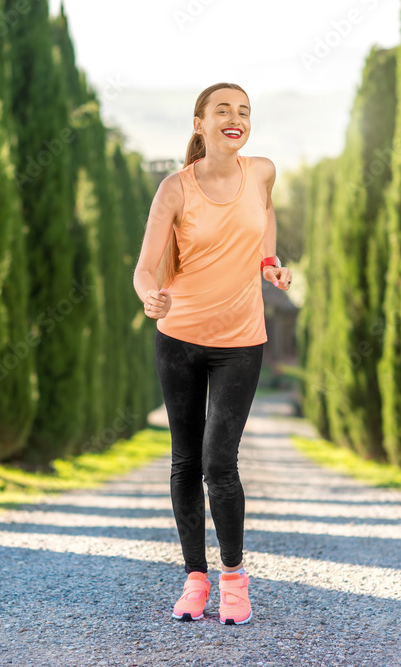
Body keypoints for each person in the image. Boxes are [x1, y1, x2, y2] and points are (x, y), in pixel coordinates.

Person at [132, 82, 292, 625]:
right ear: (199, 123)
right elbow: (145, 267)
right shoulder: (175, 189)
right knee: (185, 460)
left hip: (241, 342)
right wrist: (148, 296)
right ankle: (195, 578)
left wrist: (270, 261)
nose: (236, 118)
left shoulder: (263, 171)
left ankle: (234, 578)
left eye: (244, 111)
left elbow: (265, 213)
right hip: (179, 338)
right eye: (223, 110)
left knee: (220, 461)